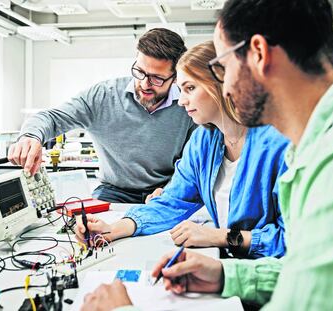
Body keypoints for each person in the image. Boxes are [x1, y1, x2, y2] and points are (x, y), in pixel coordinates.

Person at [80, 0, 333, 310]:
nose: (226, 82)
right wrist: (225, 275)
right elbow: (303, 273)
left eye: (222, 67)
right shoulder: (316, 140)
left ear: (259, 54)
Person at [76, 41, 289, 260]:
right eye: (181, 89)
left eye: (190, 88)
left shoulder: (279, 144)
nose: (182, 101)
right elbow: (172, 203)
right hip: (229, 266)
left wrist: (220, 237)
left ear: (222, 83)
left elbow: (290, 240)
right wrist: (112, 230)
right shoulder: (204, 141)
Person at [8, 28, 196, 204]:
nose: (145, 84)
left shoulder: (188, 106)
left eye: (157, 78)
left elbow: (194, 162)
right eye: (139, 72)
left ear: (175, 77)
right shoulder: (103, 96)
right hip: (112, 191)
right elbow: (52, 117)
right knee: (89, 233)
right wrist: (30, 136)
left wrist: (172, 189)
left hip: (166, 190)